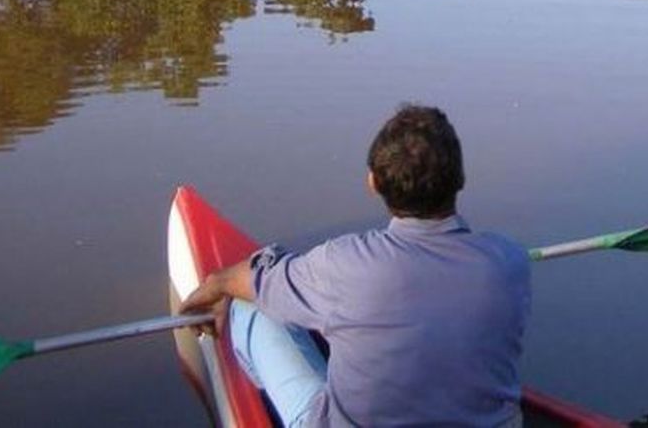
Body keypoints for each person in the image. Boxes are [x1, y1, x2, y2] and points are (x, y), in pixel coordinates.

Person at [181, 104, 531, 428]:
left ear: (373, 183)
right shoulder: (510, 261)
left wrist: (219, 283)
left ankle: (252, 404)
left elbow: (259, 281)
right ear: (461, 179)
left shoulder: (345, 265)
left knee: (250, 306)